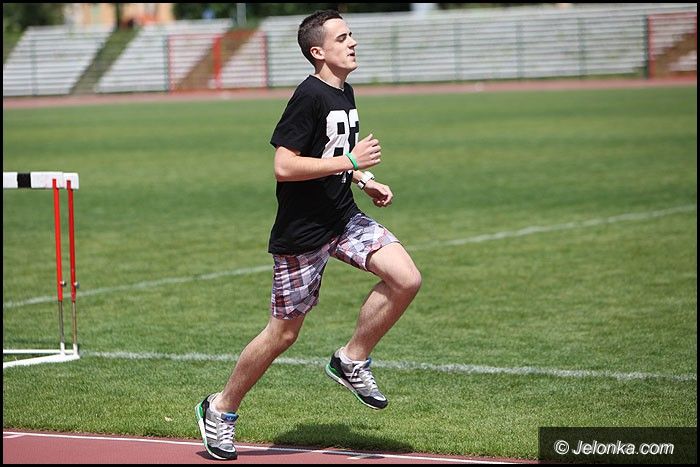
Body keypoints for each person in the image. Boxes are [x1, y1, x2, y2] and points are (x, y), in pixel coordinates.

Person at [195, 9, 421, 460]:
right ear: (318, 52)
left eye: (351, 34)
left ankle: (351, 358)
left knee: (406, 278)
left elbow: (334, 152)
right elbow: (284, 165)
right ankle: (219, 409)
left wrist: (363, 179)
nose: (353, 42)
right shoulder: (309, 96)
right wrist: (352, 163)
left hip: (342, 217)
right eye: (342, 38)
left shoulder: (344, 91)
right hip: (302, 234)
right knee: (282, 335)